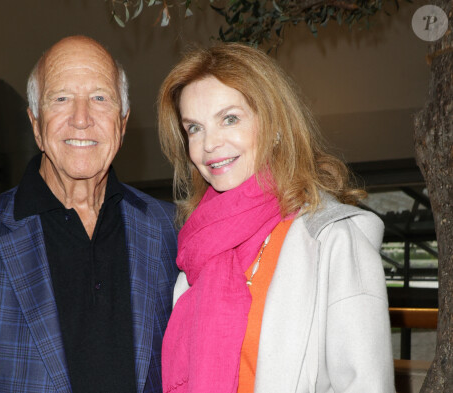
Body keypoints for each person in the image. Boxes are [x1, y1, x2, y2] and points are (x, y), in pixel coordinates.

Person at [0, 35, 178, 393]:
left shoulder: (169, 229)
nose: (81, 119)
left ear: (123, 121)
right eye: (61, 98)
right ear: (36, 124)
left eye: (100, 98)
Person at [157, 42, 395, 393]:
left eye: (230, 119)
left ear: (276, 125)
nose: (208, 144)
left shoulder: (333, 240)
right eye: (194, 128)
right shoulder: (198, 248)